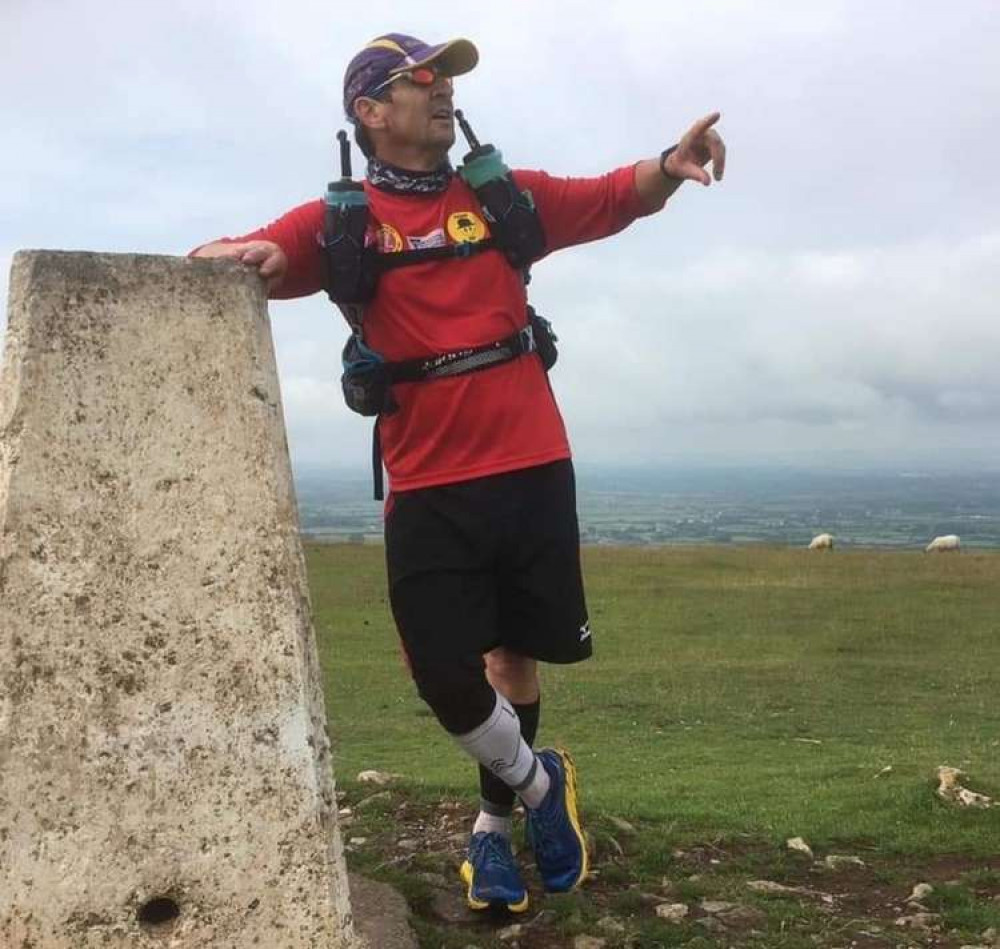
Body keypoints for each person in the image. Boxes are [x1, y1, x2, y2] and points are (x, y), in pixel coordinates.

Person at [192, 32, 725, 913]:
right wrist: (243, 260)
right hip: (428, 483)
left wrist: (672, 162)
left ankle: (493, 831)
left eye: (449, 80)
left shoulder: (499, 199)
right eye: (423, 78)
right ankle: (540, 784)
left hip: (532, 465)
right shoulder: (343, 223)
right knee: (447, 673)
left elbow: (607, 197)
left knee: (514, 656)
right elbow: (229, 254)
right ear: (370, 110)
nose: (443, 91)